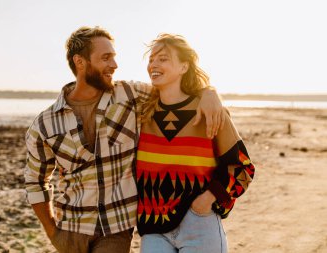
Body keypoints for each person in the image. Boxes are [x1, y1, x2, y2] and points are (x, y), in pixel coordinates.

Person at [24, 26, 224, 253]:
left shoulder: (131, 96)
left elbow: (174, 87)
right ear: (80, 62)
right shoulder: (45, 124)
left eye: (114, 57)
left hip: (116, 230)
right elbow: (34, 181)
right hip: (69, 231)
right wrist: (53, 233)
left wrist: (209, 92)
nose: (115, 65)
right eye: (105, 58)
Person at [136, 34, 255, 252]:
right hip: (152, 227)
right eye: (151, 59)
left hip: (199, 222)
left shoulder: (210, 112)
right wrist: (209, 91)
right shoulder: (140, 114)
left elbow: (242, 168)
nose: (153, 64)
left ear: (184, 66)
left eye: (163, 58)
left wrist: (208, 199)